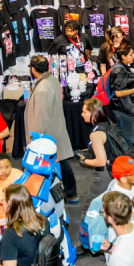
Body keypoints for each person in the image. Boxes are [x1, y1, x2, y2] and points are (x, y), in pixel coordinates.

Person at [26, 56, 77, 202]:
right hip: (54, 129)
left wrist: (36, 140)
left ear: (33, 69)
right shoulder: (52, 80)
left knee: (55, 164)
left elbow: (41, 116)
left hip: (47, 134)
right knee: (61, 162)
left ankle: (67, 194)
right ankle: (70, 193)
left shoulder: (42, 88)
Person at [109, 41, 134, 146]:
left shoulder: (122, 66)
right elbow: (118, 93)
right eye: (131, 55)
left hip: (124, 107)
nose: (133, 57)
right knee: (126, 138)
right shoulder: (119, 70)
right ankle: (128, 154)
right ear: (123, 56)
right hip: (122, 108)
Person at [78, 98, 113, 189]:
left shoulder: (96, 134)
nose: (82, 114)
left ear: (93, 114)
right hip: (113, 170)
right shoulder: (107, 122)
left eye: (84, 112)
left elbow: (101, 162)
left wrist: (84, 161)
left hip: (104, 175)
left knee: (93, 197)